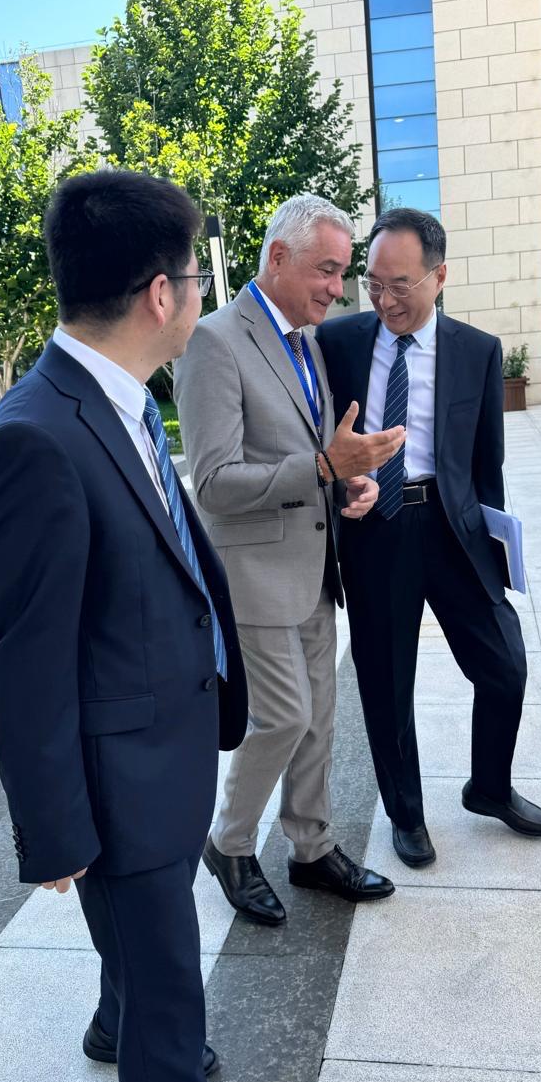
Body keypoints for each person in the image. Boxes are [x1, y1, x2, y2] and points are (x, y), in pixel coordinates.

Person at [0, 170, 248, 1082]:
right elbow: (24, 653)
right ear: (159, 293)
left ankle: (108, 1014)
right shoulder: (35, 435)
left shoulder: (122, 400)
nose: (201, 297)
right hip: (122, 786)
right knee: (172, 1012)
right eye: (196, 278)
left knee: (140, 973)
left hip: (167, 749)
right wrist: (55, 833)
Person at [174, 194, 404, 926]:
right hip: (254, 577)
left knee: (319, 720)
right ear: (278, 257)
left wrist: (347, 484)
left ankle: (312, 848)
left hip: (315, 571)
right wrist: (324, 467)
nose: (339, 288)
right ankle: (229, 843)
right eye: (327, 270)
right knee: (281, 718)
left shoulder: (306, 342)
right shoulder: (214, 342)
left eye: (342, 273)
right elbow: (214, 483)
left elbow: (313, 459)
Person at [316, 207, 541, 869]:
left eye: (401, 284)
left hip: (452, 529)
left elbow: (485, 464)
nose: (384, 299)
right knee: (385, 682)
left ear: (439, 276)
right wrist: (342, 491)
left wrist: (493, 549)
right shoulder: (336, 343)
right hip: (376, 531)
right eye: (373, 283)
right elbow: (318, 443)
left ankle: (490, 787)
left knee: (504, 665)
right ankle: (407, 815)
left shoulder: (477, 351)